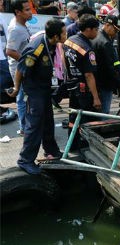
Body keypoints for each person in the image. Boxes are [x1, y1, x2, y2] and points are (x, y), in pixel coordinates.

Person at [7, 19, 67, 174]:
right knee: (35, 124)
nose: (66, 34)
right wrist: (16, 88)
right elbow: (21, 68)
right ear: (55, 36)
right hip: (34, 90)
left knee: (48, 120)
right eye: (64, 33)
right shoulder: (38, 47)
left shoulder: (52, 44)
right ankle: (25, 160)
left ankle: (51, 150)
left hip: (44, 87)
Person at [63, 14, 100, 149]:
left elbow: (64, 58)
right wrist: (96, 98)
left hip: (72, 84)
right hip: (84, 88)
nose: (97, 32)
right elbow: (89, 75)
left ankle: (71, 143)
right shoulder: (86, 48)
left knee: (73, 116)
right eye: (96, 29)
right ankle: (82, 144)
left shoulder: (69, 41)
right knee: (85, 117)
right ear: (88, 29)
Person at [91, 14, 120, 114]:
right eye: (115, 30)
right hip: (104, 84)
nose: (115, 33)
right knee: (103, 114)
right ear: (107, 25)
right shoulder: (105, 42)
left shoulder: (99, 37)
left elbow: (114, 60)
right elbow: (109, 68)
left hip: (98, 82)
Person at [6, 0, 32, 136]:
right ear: (18, 12)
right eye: (27, 10)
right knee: (22, 98)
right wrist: (28, 63)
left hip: (24, 68)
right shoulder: (16, 29)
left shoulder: (21, 25)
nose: (30, 12)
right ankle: (24, 128)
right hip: (19, 69)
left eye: (30, 9)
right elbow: (10, 51)